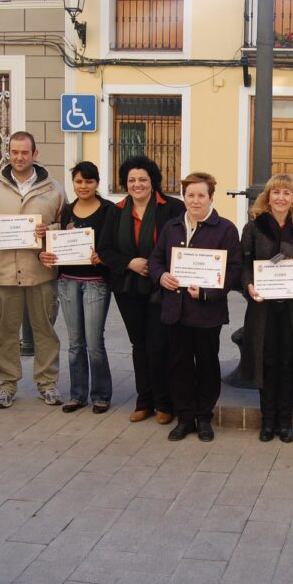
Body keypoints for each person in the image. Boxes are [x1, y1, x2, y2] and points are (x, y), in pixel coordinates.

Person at [0, 131, 67, 409]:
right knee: (6, 333)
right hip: (3, 274)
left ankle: (47, 383)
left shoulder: (53, 189)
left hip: (41, 273)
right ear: (8, 153)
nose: (19, 157)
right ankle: (7, 384)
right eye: (14, 152)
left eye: (25, 152)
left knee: (45, 331)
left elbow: (67, 224)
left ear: (35, 154)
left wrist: (49, 230)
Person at [151, 172, 242, 442]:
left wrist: (207, 291)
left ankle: (204, 418)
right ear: (184, 196)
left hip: (206, 313)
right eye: (190, 195)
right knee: (178, 365)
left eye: (201, 195)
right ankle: (185, 418)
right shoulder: (172, 227)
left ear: (210, 197)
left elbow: (234, 270)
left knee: (206, 365)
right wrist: (160, 276)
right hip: (175, 310)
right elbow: (156, 259)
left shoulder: (225, 229)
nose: (195, 200)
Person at [98, 156, 185, 424]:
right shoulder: (116, 211)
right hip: (128, 288)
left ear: (152, 181)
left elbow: (181, 244)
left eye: (143, 180)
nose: (137, 185)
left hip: (162, 288)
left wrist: (160, 270)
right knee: (140, 345)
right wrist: (130, 263)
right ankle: (143, 400)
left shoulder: (171, 208)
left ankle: (164, 402)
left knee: (159, 344)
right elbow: (105, 250)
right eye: (132, 180)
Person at [239, 174, 293, 444]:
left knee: (289, 364)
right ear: (267, 197)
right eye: (276, 192)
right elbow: (244, 263)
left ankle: (285, 421)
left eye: (287, 192)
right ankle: (267, 421)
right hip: (263, 308)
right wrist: (248, 285)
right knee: (266, 362)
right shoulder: (254, 228)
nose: (281, 197)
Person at [40, 162, 114, 414]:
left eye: (89, 181)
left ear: (97, 183)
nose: (84, 186)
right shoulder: (67, 210)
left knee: (94, 343)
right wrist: (49, 253)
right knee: (75, 343)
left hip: (96, 284)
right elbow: (56, 243)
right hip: (68, 281)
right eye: (79, 182)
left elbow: (114, 244)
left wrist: (102, 255)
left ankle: (101, 395)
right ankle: (77, 394)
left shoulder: (108, 210)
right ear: (73, 183)